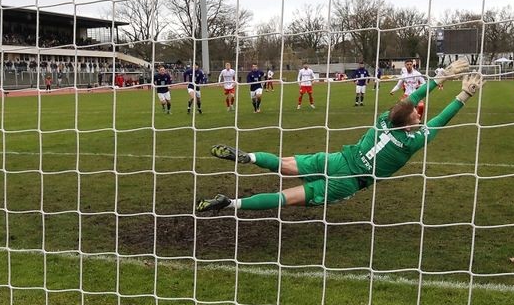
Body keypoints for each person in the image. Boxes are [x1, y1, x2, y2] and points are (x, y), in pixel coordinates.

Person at [196, 62, 475, 212]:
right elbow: (439, 121)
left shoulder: (383, 121)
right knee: (286, 198)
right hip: (349, 182)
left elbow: (411, 99)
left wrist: (441, 78)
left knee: (284, 163)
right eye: (416, 115)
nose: (419, 114)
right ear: (410, 121)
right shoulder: (411, 143)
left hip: (338, 160)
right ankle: (230, 203)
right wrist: (465, 94)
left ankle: (251, 157)